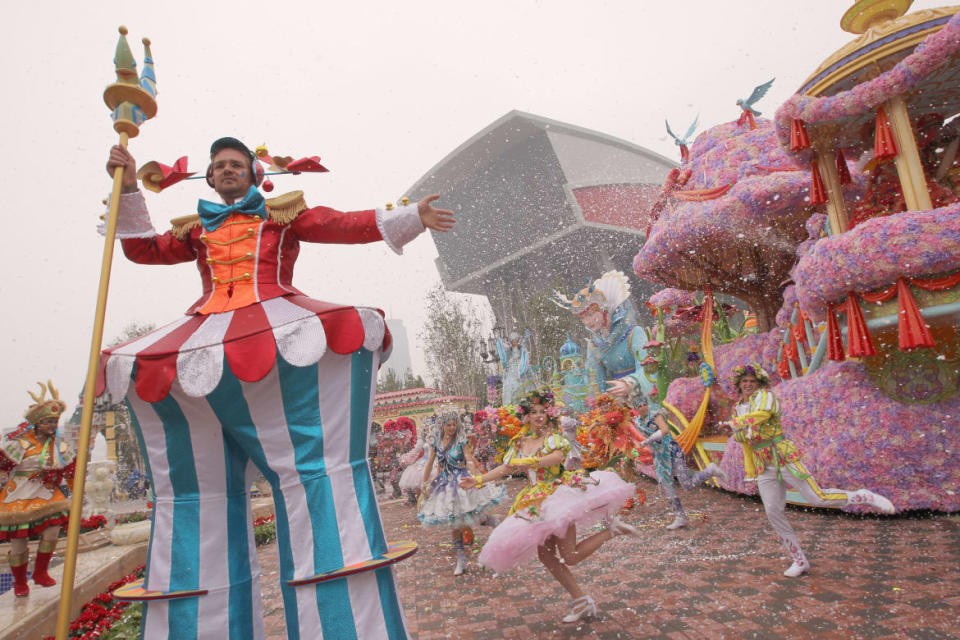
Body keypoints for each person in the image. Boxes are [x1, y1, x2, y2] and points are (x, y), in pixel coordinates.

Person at [101, 138, 454, 639]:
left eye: (235, 165)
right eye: (219, 166)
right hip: (205, 336)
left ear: (253, 173)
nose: (227, 171)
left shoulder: (281, 214)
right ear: (210, 177)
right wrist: (130, 185)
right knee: (196, 492)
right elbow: (142, 249)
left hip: (275, 324)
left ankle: (339, 622)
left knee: (317, 474)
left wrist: (409, 217)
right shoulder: (196, 228)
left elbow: (337, 224)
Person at [460, 390, 637, 624]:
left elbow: (555, 458)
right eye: (534, 412)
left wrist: (531, 461)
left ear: (550, 414)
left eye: (543, 411)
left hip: (557, 497)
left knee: (570, 556)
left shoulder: (554, 438)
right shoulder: (520, 442)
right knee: (546, 556)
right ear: (526, 416)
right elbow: (506, 468)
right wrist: (479, 480)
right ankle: (581, 600)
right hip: (534, 501)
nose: (539, 416)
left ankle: (612, 531)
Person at [724, 363, 895, 577]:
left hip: (782, 455)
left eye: (752, 381)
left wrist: (736, 424)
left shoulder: (766, 397)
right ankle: (799, 559)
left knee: (817, 498)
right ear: (739, 386)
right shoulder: (739, 406)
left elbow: (763, 415)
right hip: (762, 464)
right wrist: (739, 431)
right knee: (772, 511)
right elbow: (743, 438)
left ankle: (861, 496)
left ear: (759, 383)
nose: (748, 385)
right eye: (744, 382)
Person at [0, 382, 75, 597]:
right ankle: (20, 581)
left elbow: (71, 470)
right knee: (18, 544)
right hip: (18, 494)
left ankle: (40, 572)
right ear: (37, 423)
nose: (52, 426)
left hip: (47, 493)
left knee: (52, 531)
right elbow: (4, 465)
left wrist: (77, 490)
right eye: (48, 422)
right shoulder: (20, 443)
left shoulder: (58, 445)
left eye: (54, 421)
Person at [418, 412, 504, 575]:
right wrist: (424, 483)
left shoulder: (461, 441)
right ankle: (461, 559)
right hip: (445, 486)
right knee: (454, 523)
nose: (451, 428)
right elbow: (430, 463)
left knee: (474, 513)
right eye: (448, 425)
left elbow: (469, 459)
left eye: (454, 424)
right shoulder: (435, 443)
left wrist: (476, 478)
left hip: (463, 481)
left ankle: (494, 523)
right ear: (442, 426)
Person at [553, 271, 649, 400]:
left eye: (590, 314)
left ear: (604, 310)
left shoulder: (634, 333)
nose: (587, 321)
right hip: (618, 404)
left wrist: (630, 383)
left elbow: (649, 370)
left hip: (643, 397)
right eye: (582, 318)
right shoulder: (594, 345)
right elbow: (596, 384)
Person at [637, 410, 724, 530]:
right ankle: (680, 516)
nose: (642, 406)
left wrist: (648, 441)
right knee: (667, 486)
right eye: (638, 405)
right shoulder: (638, 421)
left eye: (643, 403)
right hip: (660, 458)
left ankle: (710, 471)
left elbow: (664, 430)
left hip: (672, 452)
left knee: (687, 485)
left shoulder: (655, 415)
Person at [495, 330, 532, 406]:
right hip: (510, 370)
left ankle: (517, 404)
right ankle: (508, 405)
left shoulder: (521, 349)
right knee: (508, 387)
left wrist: (526, 338)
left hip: (518, 369)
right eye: (513, 341)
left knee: (517, 386)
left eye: (515, 340)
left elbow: (524, 348)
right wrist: (498, 339)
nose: (514, 342)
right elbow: (502, 352)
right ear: (511, 341)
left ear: (517, 341)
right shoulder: (509, 350)